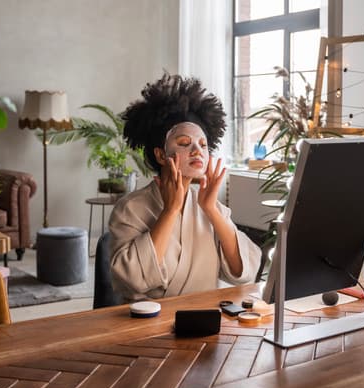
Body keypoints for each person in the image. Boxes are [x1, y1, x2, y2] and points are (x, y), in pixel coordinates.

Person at [108, 73, 261, 302]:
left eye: (203, 144)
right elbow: (132, 280)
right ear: (161, 154)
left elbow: (243, 272)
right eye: (184, 143)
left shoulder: (210, 207)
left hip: (205, 321)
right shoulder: (130, 209)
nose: (197, 151)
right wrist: (170, 210)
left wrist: (211, 210)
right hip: (148, 326)